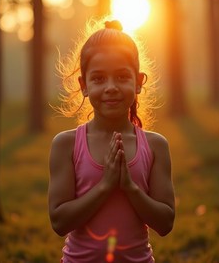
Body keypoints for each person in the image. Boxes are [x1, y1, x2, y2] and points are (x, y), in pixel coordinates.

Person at [48, 18, 175, 263]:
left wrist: (130, 188)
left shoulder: (156, 146)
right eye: (98, 79)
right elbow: (59, 221)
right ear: (84, 85)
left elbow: (165, 222)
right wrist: (105, 186)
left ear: (138, 83)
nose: (111, 87)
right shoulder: (66, 145)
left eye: (121, 77)